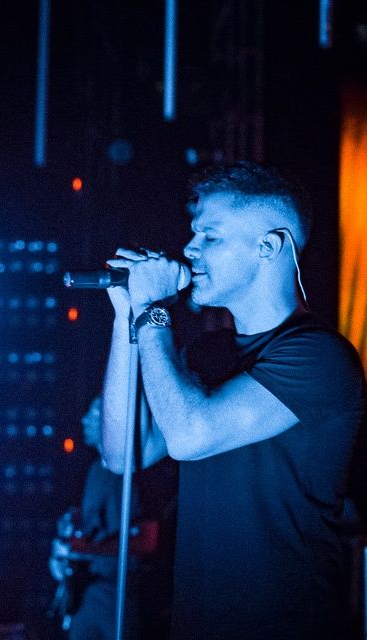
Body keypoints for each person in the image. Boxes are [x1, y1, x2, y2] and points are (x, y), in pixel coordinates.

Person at [101, 162, 367, 639]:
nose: (189, 248)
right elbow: (123, 454)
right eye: (193, 234)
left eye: (211, 236)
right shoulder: (208, 353)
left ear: (269, 247)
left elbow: (190, 435)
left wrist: (153, 311)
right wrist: (128, 318)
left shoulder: (319, 356)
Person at [49, 395, 177, 639]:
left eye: (95, 414)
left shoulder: (135, 471)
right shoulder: (95, 470)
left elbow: (148, 540)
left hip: (121, 592)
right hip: (90, 589)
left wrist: (83, 549)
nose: (85, 420)